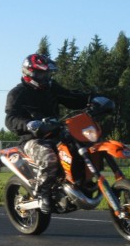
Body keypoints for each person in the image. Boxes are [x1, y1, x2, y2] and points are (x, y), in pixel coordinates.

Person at [5, 53, 91, 213]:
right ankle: (42, 193)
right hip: (32, 139)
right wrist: (29, 124)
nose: (45, 77)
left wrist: (93, 99)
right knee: (49, 159)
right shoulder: (17, 93)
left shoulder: (51, 88)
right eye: (41, 74)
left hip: (56, 133)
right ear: (30, 73)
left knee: (82, 147)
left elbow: (71, 98)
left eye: (47, 74)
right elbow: (10, 119)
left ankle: (80, 183)